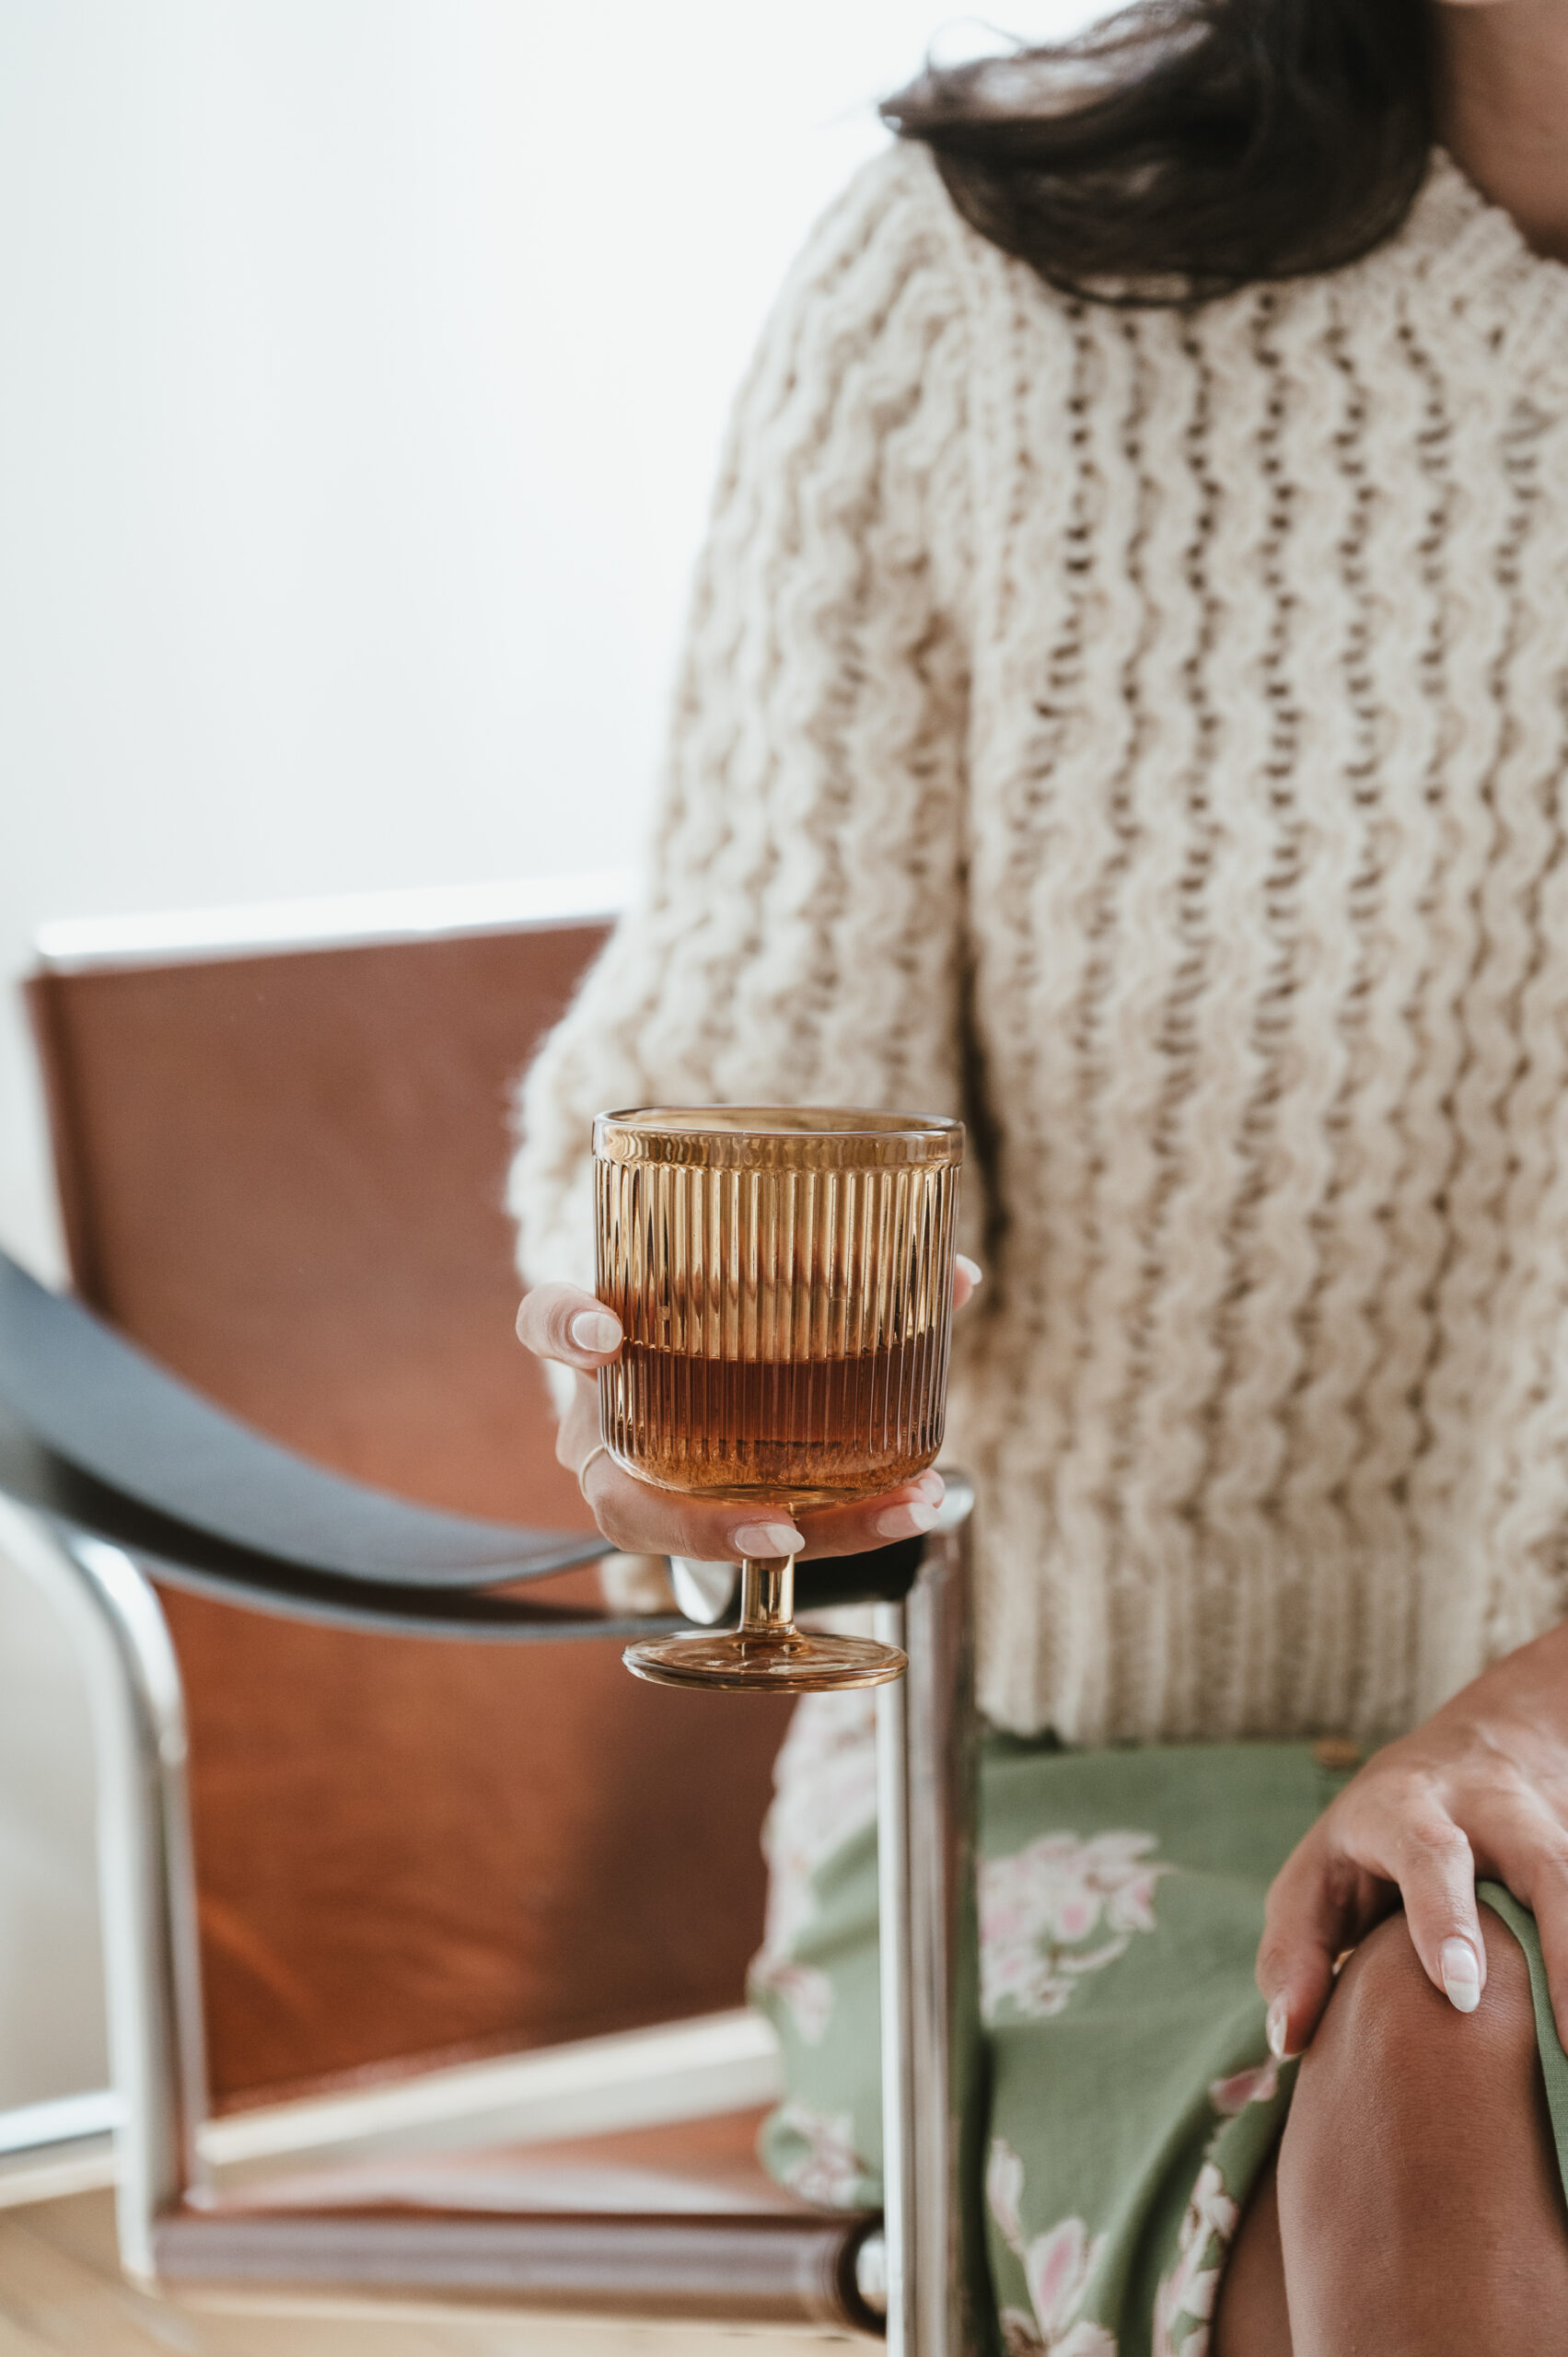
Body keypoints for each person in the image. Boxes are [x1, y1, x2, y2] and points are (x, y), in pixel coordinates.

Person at [511, 1, 1568, 2347]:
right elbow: (761, 1098)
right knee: (1425, 2033)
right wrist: (652, 1376)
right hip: (1071, 1771)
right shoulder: (978, 299)